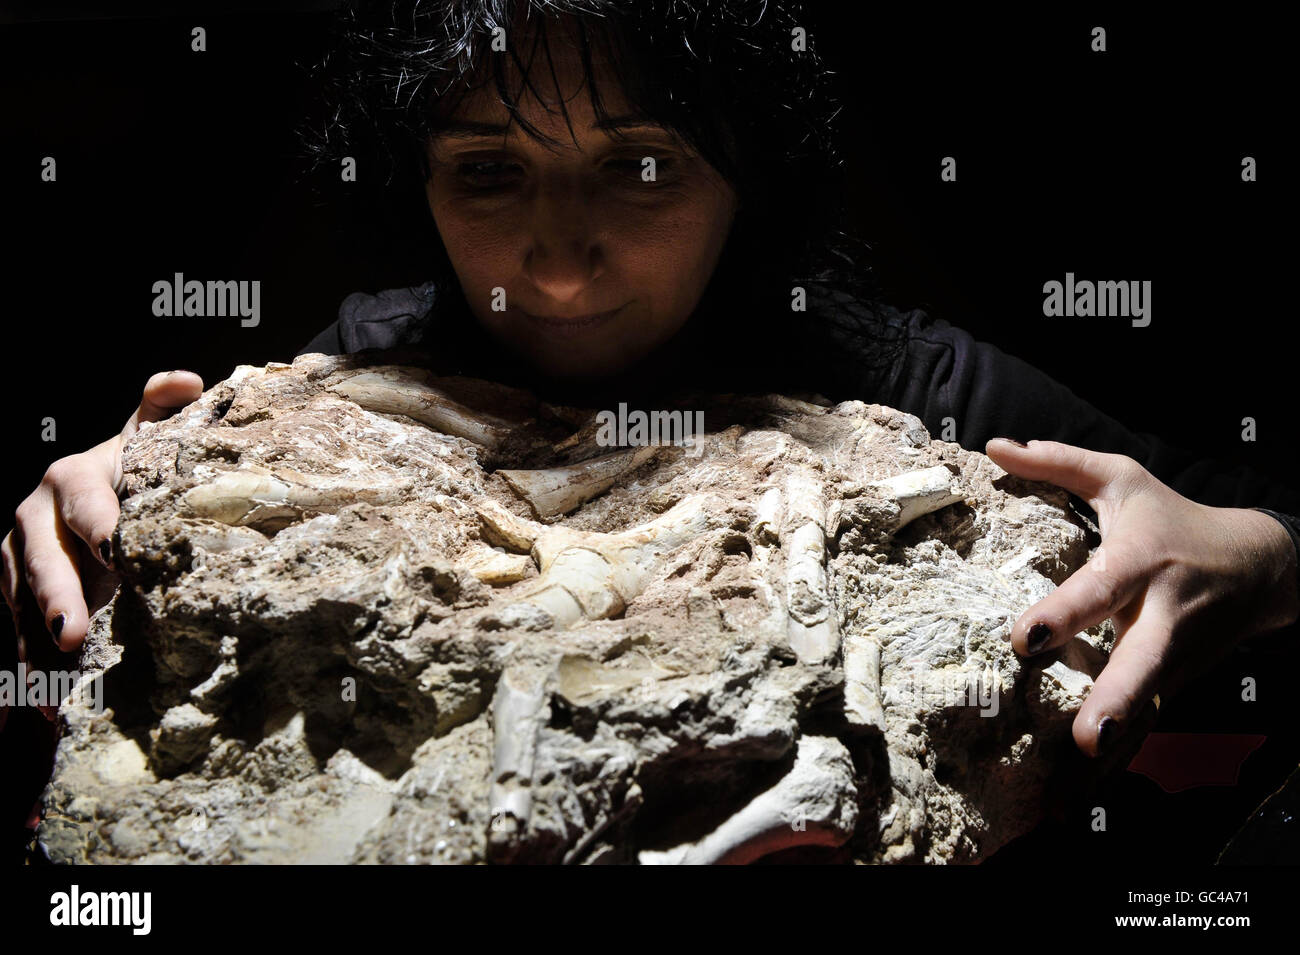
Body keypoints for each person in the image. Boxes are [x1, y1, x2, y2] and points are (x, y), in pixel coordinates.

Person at [3, 0, 1298, 798]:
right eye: (491, 172)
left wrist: (1259, 556)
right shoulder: (360, 376)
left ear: (752, 176)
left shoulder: (928, 394)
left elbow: (1255, 535)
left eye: (639, 166)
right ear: (414, 181)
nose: (562, 259)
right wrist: (122, 519)